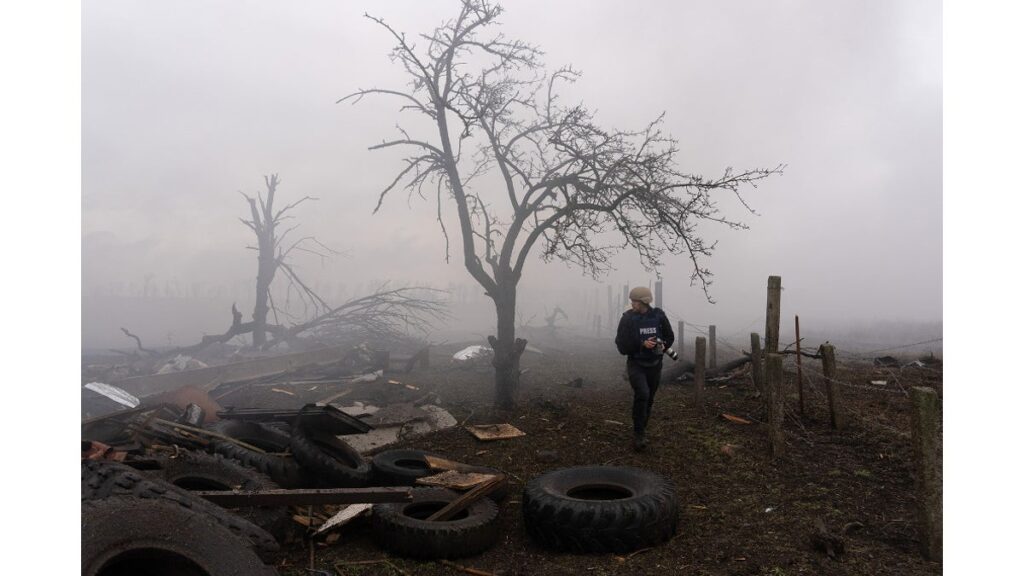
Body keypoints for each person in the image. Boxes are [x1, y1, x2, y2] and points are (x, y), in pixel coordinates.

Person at [615, 286, 675, 451]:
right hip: (636, 364)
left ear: (643, 302)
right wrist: (641, 344)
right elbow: (621, 345)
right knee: (642, 394)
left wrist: (660, 344)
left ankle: (642, 427)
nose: (632, 304)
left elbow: (670, 336)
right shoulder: (627, 319)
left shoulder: (658, 316)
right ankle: (638, 434)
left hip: (655, 364)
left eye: (634, 301)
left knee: (649, 399)